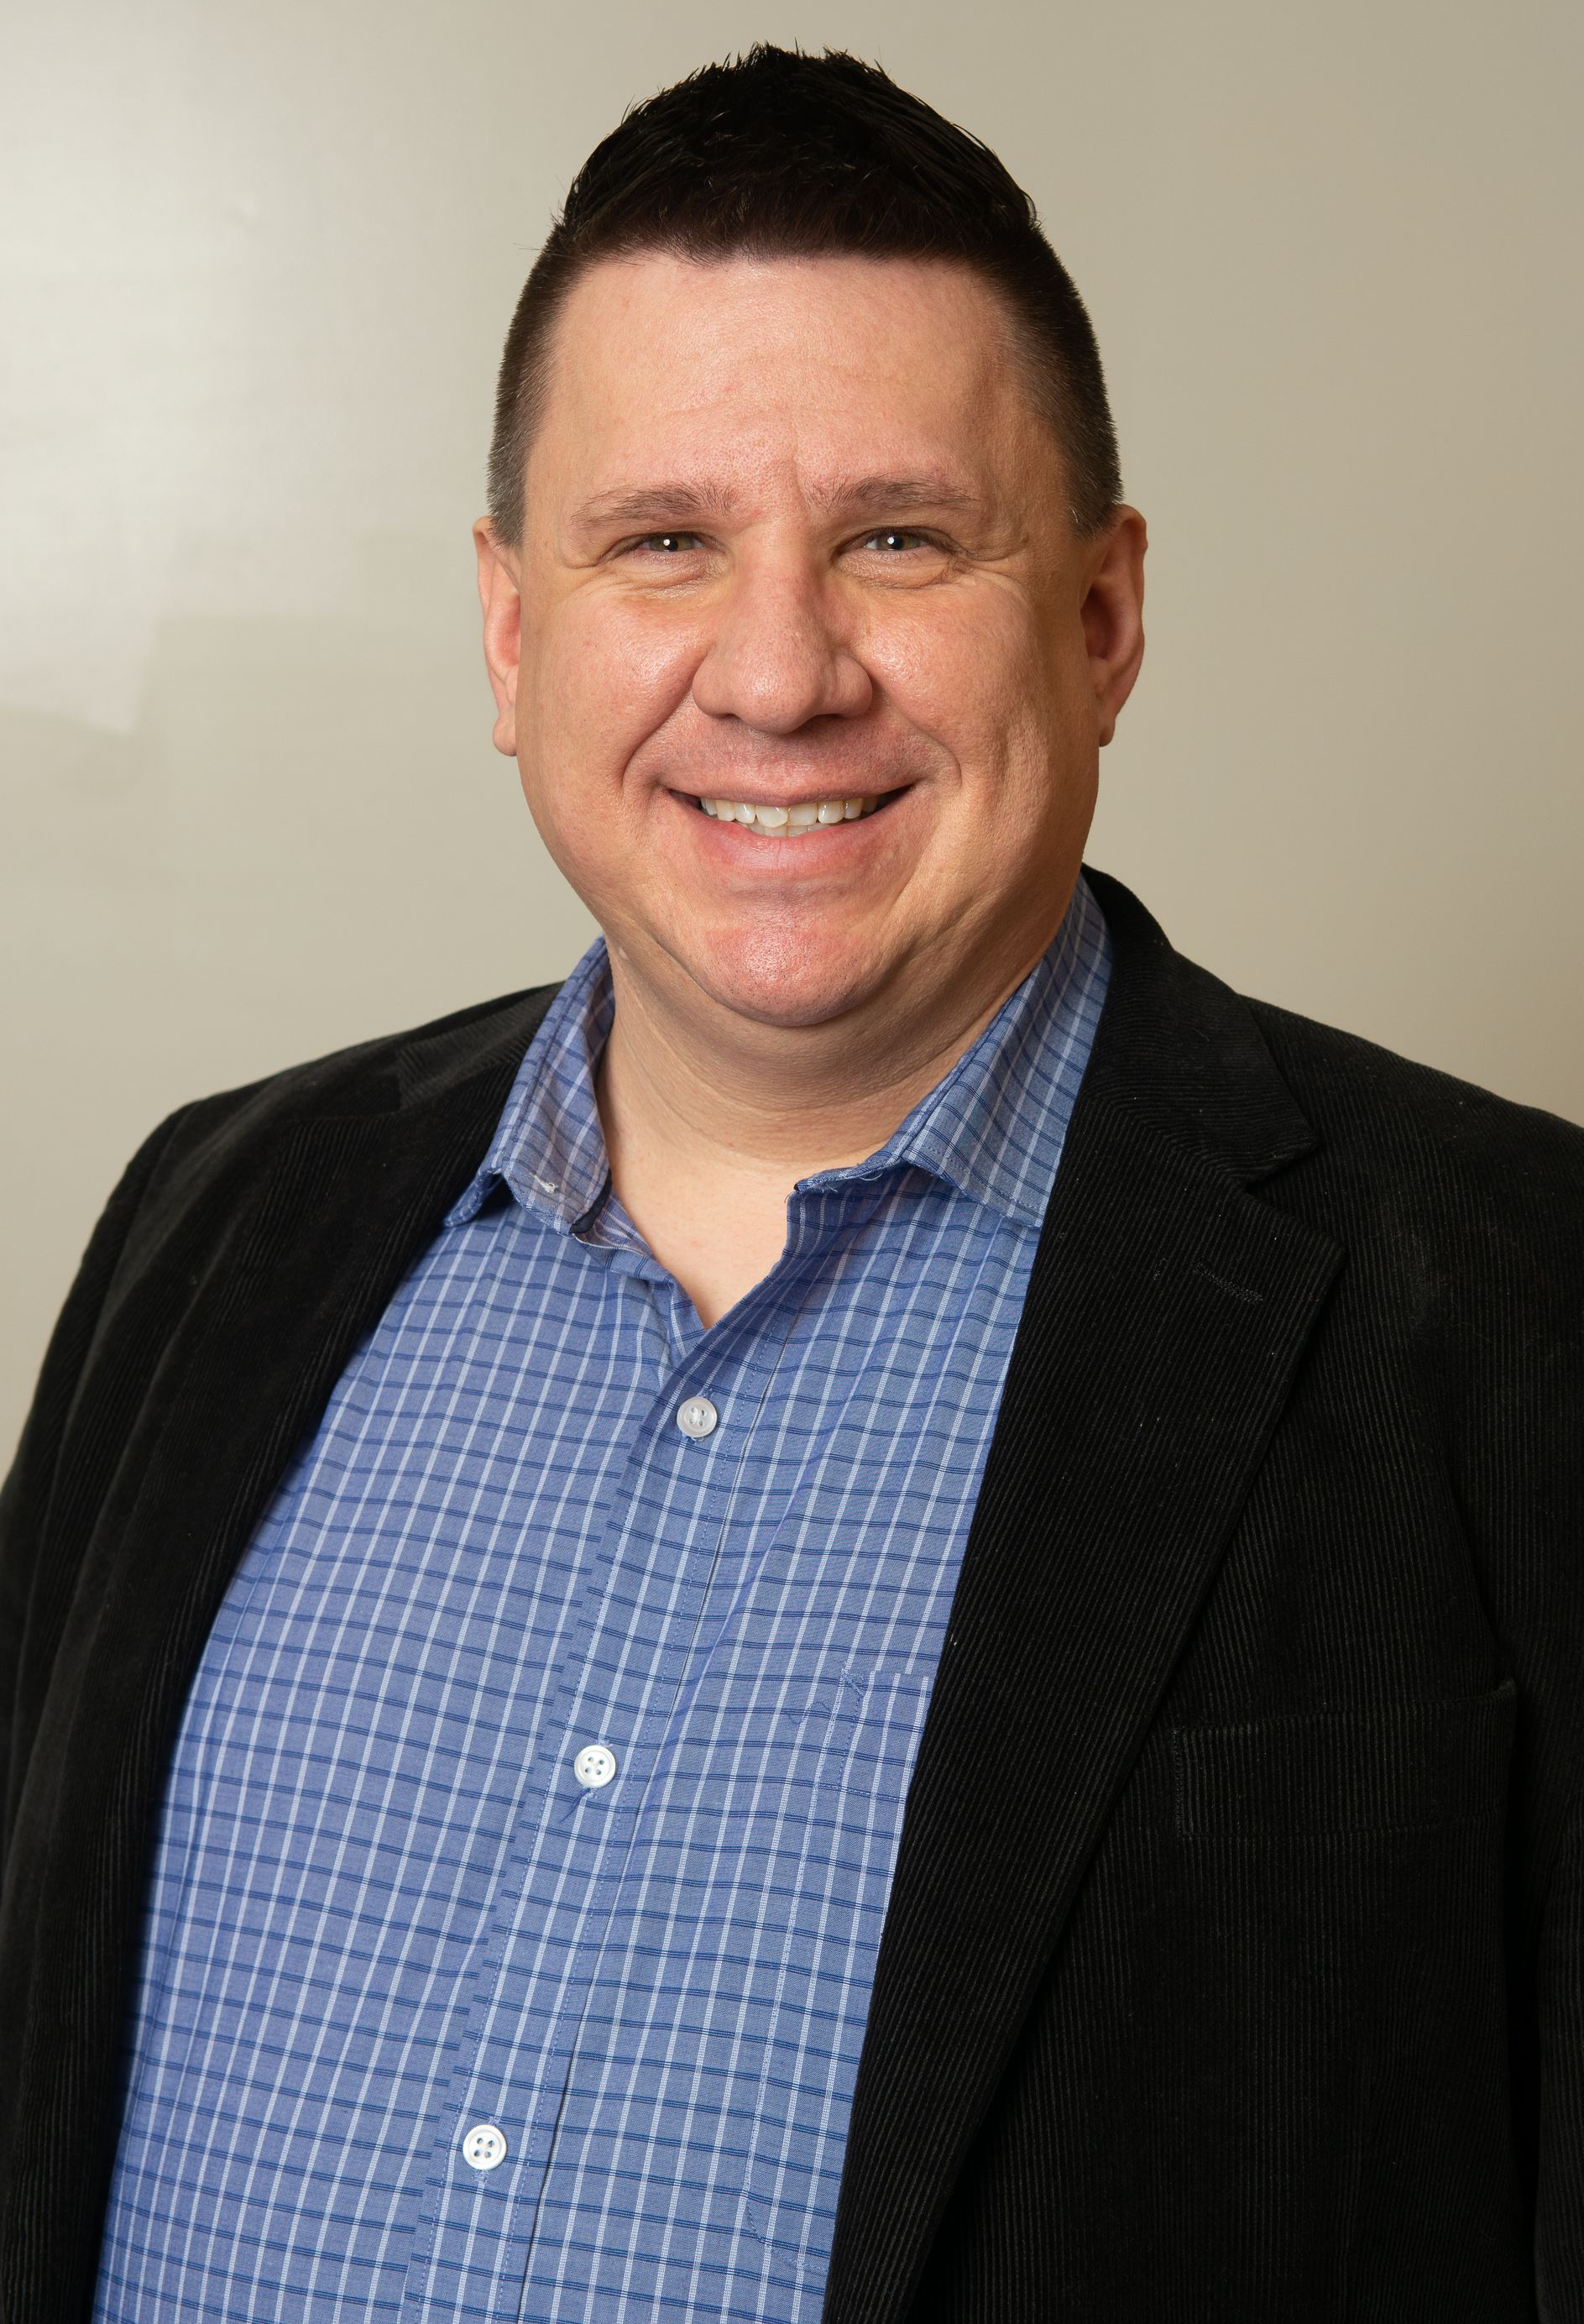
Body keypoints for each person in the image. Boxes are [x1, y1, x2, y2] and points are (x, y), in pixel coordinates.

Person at [2, 41, 1580, 2324]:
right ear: (513, 630)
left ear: (1106, 617)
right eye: (663, 543)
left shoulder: (1528, 1319)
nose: (776, 672)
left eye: (899, 540)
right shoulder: (208, 1228)